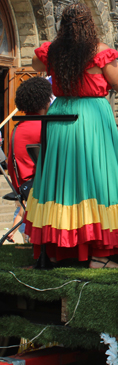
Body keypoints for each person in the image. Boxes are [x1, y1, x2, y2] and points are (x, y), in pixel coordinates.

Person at [26, 3, 118, 268]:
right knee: (97, 179)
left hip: (60, 117)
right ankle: (100, 255)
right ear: (89, 24)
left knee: (61, 181)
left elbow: (35, 65)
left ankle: (56, 251)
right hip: (91, 119)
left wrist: (56, 50)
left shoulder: (53, 51)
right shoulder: (99, 51)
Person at [6, 77, 52, 243]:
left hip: (23, 187)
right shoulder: (42, 127)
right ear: (45, 100)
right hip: (38, 188)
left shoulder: (18, 127)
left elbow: (12, 166)